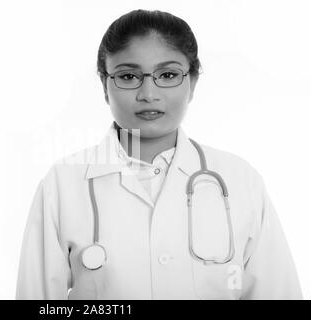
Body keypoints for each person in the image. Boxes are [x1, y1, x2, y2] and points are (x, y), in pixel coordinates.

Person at [15, 9, 302, 300]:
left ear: (192, 83)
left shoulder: (240, 180)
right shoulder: (62, 184)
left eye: (168, 75)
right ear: (104, 85)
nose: (149, 93)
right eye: (128, 76)